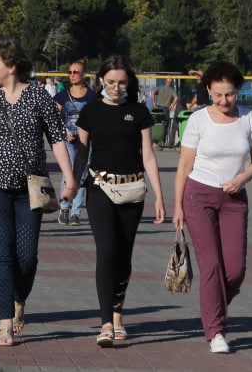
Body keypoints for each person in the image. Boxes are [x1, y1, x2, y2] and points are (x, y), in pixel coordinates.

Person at [0, 37, 76, 348]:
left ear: (12, 66)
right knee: (2, 253)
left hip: (31, 189)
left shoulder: (38, 98)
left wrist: (69, 178)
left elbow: (58, 139)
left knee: (27, 256)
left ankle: (19, 297)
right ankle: (4, 322)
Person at [173, 61, 252, 355]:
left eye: (229, 95)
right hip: (198, 196)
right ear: (208, 90)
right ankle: (216, 331)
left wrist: (241, 179)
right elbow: (184, 165)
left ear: (238, 91)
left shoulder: (248, 118)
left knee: (235, 270)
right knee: (211, 265)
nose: (223, 101)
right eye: (217, 95)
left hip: (234, 199)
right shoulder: (199, 119)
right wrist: (177, 206)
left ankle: (211, 307)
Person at [75, 55, 165, 347]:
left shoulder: (138, 112)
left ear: (129, 83)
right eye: (111, 81)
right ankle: (104, 324)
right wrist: (72, 185)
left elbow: (148, 155)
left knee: (124, 257)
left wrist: (160, 196)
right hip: (99, 188)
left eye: (121, 82)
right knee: (106, 252)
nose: (116, 87)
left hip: (132, 190)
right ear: (101, 80)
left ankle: (117, 314)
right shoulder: (90, 111)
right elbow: (81, 152)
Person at [55, 60, 98, 226]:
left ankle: (76, 212)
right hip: (68, 140)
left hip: (86, 141)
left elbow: (96, 118)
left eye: (76, 72)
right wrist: (64, 132)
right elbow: (53, 118)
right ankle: (65, 206)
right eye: (70, 72)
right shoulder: (62, 95)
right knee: (69, 172)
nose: (72, 75)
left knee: (81, 174)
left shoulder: (92, 97)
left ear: (84, 75)